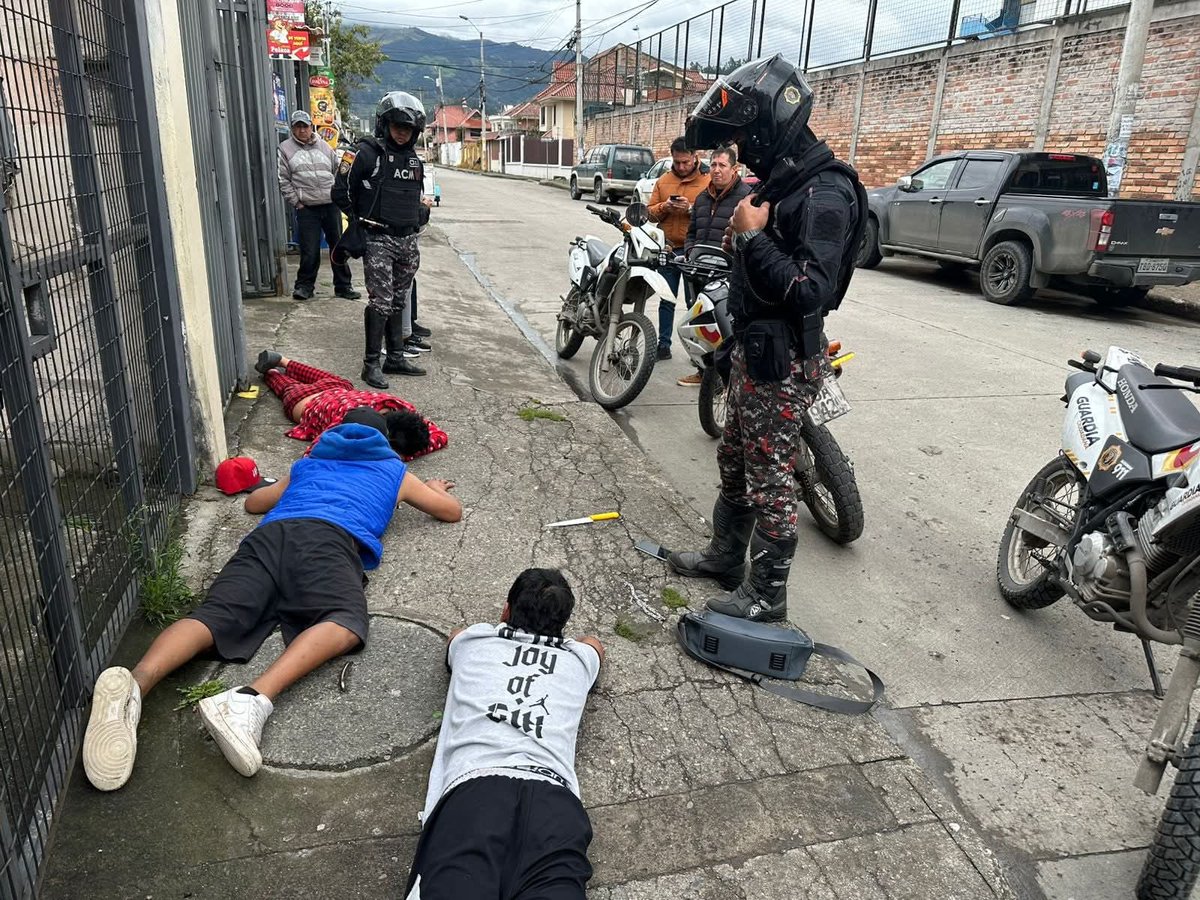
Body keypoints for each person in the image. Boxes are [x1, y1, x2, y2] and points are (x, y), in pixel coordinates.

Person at [80, 415, 463, 791]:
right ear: (384, 444)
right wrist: (431, 489)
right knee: (344, 620)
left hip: (268, 539)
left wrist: (294, 484)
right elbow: (451, 512)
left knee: (213, 616)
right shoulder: (394, 472)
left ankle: (134, 685)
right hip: (327, 542)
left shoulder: (308, 464)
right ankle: (250, 699)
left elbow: (254, 504)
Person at [667, 55, 867, 623]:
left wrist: (752, 241)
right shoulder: (785, 182)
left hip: (782, 364)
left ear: (765, 127)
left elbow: (810, 291)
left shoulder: (825, 193)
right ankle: (725, 558)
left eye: (740, 140)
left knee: (770, 480)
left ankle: (767, 595)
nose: (740, 153)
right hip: (752, 353)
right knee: (734, 458)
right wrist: (742, 250)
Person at [404, 568, 604, 900]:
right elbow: (595, 644)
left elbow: (454, 634)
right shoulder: (578, 660)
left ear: (505, 611)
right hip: (555, 802)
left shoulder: (473, 642)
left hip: (475, 793)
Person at [332, 91, 434, 388]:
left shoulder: (414, 161)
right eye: (397, 127)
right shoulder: (364, 153)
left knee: (399, 301)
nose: (402, 134)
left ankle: (396, 357)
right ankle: (371, 364)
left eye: (409, 129)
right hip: (378, 239)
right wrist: (359, 221)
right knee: (381, 302)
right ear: (384, 124)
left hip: (407, 242)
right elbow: (340, 191)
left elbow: (411, 197)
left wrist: (419, 214)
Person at [253, 349, 447, 459]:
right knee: (287, 388)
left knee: (332, 379)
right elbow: (315, 451)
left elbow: (438, 435)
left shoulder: (401, 406)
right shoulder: (354, 423)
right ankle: (273, 374)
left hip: (338, 389)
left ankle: (285, 361)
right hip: (308, 402)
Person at [677, 145, 753, 387]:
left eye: (723, 165)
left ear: (735, 168)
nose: (717, 171)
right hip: (698, 271)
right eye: (714, 165)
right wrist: (690, 251)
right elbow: (691, 233)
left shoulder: (747, 197)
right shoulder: (702, 197)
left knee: (724, 325)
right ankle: (704, 373)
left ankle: (726, 378)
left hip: (727, 274)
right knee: (700, 325)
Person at [278, 110, 361, 302]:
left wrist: (339, 196)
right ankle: (304, 287)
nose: (302, 130)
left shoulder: (324, 146)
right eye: (297, 126)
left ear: (311, 127)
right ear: (292, 129)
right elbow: (283, 180)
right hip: (307, 208)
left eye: (305, 126)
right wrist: (297, 203)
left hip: (330, 205)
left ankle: (343, 286)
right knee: (310, 250)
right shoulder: (285, 149)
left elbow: (338, 171)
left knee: (339, 247)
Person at [646, 136, 710, 360]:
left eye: (685, 162)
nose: (681, 167)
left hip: (695, 252)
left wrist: (690, 209)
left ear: (695, 157)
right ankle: (663, 345)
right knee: (666, 299)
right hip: (669, 249)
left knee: (696, 303)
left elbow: (714, 214)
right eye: (677, 162)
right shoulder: (663, 181)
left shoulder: (708, 181)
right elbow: (649, 213)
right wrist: (666, 206)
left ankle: (700, 353)